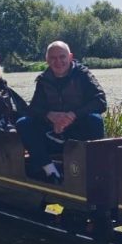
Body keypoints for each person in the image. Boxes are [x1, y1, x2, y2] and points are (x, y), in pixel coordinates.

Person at [16, 41, 107, 181]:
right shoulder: (43, 80)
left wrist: (73, 115)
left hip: (77, 131)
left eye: (62, 57)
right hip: (52, 133)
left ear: (70, 57)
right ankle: (50, 170)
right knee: (23, 123)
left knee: (95, 120)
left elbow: (100, 101)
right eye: (53, 58)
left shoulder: (83, 75)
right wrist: (50, 116)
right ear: (47, 60)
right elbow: (33, 109)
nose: (58, 61)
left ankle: (95, 172)